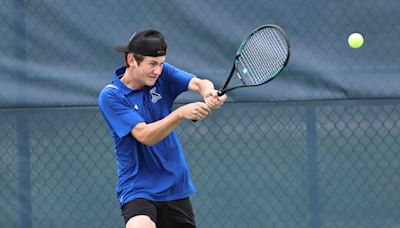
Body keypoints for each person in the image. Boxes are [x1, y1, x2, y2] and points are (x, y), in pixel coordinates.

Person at [98, 29, 227, 228]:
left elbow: (199, 83)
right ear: (132, 60)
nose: (157, 70)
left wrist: (209, 92)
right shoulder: (111, 96)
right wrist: (179, 114)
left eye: (160, 64)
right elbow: (144, 135)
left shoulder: (162, 75)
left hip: (175, 187)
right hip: (138, 188)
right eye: (152, 64)